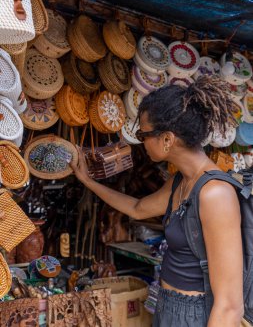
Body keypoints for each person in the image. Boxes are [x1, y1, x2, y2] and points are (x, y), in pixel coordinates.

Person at [71, 75, 243, 327]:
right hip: (167, 306)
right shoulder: (181, 182)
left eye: (143, 134)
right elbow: (137, 209)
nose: (141, 141)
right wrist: (88, 181)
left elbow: (229, 305)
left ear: (167, 139)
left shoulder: (214, 193)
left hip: (194, 317)